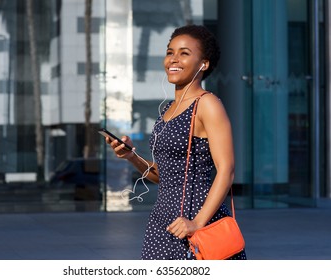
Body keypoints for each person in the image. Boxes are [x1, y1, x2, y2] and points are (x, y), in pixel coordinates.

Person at [104, 24, 246, 260]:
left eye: (184, 53)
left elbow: (227, 170)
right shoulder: (168, 110)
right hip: (163, 222)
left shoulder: (207, 104)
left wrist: (197, 222)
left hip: (197, 220)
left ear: (204, 64)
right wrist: (131, 157)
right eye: (170, 52)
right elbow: (166, 175)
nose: (173, 59)